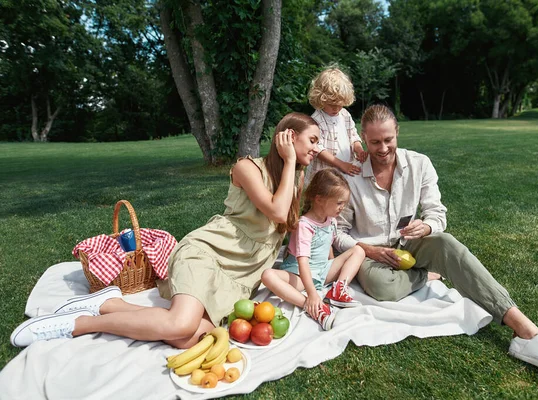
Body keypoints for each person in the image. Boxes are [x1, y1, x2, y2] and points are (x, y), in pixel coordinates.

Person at [10, 112, 321, 349]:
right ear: (289, 137)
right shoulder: (248, 168)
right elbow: (277, 211)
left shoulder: (293, 181)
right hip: (209, 254)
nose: (317, 148)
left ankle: (109, 304)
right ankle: (80, 324)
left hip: (240, 276)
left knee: (188, 338)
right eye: (313, 140)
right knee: (178, 325)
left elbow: (287, 226)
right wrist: (291, 160)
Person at [333, 104, 538, 378]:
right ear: (363, 137)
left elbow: (436, 213)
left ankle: (528, 334)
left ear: (398, 133)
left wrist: (427, 226)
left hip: (410, 243)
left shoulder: (419, 164)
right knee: (379, 286)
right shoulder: (350, 175)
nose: (383, 148)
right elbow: (338, 232)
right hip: (368, 254)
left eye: (388, 140)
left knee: (447, 243)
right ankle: (428, 275)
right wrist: (369, 250)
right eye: (375, 142)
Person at [261, 169, 365, 331]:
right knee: (267, 275)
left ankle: (338, 290)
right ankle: (313, 306)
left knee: (358, 250)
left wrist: (332, 265)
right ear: (319, 200)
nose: (342, 207)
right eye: (339, 203)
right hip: (299, 276)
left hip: (322, 272)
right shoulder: (304, 225)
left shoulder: (331, 220)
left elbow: (328, 246)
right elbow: (303, 263)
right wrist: (312, 294)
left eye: (344, 203)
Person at [305, 67, 368, 183]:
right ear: (321, 98)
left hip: (346, 171)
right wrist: (341, 164)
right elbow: (317, 149)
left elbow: (353, 135)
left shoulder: (344, 115)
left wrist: (359, 149)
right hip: (323, 175)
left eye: (340, 104)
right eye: (332, 104)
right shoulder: (316, 120)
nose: (337, 108)